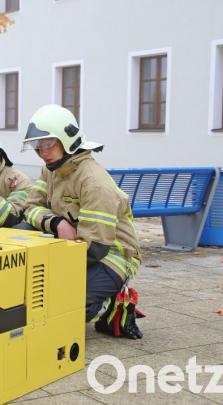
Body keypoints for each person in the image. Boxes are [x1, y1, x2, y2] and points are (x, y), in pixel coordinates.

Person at [21, 104, 143, 339]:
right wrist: (56, 223)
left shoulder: (93, 182)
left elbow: (95, 249)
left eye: (49, 144)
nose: (42, 151)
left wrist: (52, 270)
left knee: (66, 303)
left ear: (67, 141)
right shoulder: (52, 169)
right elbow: (30, 208)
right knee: (21, 233)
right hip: (76, 243)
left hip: (113, 254)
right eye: (38, 145)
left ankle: (113, 305)